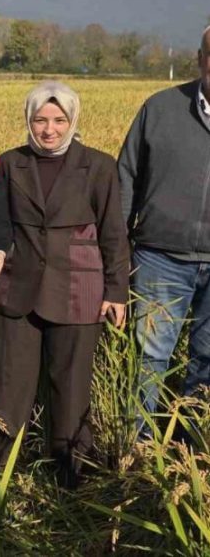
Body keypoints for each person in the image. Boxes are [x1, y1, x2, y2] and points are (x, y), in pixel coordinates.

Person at [0, 81, 129, 488]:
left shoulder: (98, 166)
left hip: (79, 289)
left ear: (72, 120)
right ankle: (2, 464)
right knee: (12, 380)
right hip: (19, 288)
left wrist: (116, 291)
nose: (49, 129)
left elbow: (113, 232)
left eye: (59, 120)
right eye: (40, 120)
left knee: (71, 381)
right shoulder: (11, 163)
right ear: (28, 121)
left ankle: (72, 468)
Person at [119, 25, 210, 436]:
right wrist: (116, 255)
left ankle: (193, 452)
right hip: (160, 257)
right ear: (200, 59)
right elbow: (126, 179)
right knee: (150, 359)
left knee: (207, 359)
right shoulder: (160, 108)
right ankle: (137, 449)